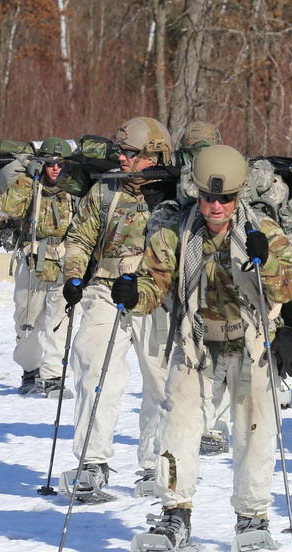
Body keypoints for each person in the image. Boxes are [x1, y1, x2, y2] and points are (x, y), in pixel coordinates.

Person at [119, 144, 292, 552]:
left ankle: (252, 515)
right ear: (196, 192)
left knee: (256, 427)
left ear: (239, 196)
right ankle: (174, 514)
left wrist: (266, 261)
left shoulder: (263, 231)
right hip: (196, 343)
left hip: (248, 343)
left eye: (225, 198)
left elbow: (289, 287)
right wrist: (133, 294)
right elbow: (155, 285)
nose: (215, 206)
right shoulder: (175, 231)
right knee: (177, 426)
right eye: (207, 197)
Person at [58, 117, 177, 499]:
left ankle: (155, 464)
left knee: (162, 382)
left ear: (154, 155)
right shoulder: (105, 190)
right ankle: (92, 463)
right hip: (107, 289)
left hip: (156, 295)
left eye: (131, 153)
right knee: (94, 366)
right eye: (121, 151)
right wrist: (74, 275)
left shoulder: (178, 195)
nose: (122, 159)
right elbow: (79, 237)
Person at [0, 137, 79, 397]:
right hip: (31, 254)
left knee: (60, 317)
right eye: (50, 163)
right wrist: (27, 180)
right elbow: (9, 206)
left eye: (61, 164)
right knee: (27, 319)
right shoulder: (31, 185)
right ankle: (30, 370)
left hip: (65, 255)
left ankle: (53, 376)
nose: (56, 169)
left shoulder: (76, 189)